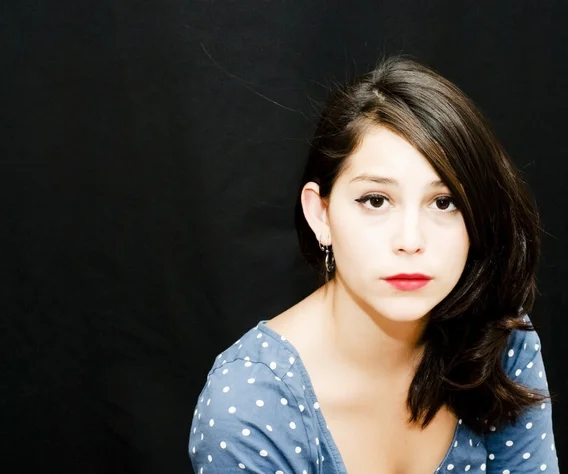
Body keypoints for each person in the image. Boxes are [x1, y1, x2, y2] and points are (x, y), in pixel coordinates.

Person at [187, 56, 559, 474]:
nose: (410, 241)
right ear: (321, 215)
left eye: (444, 202)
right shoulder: (249, 400)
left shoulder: (499, 338)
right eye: (376, 201)